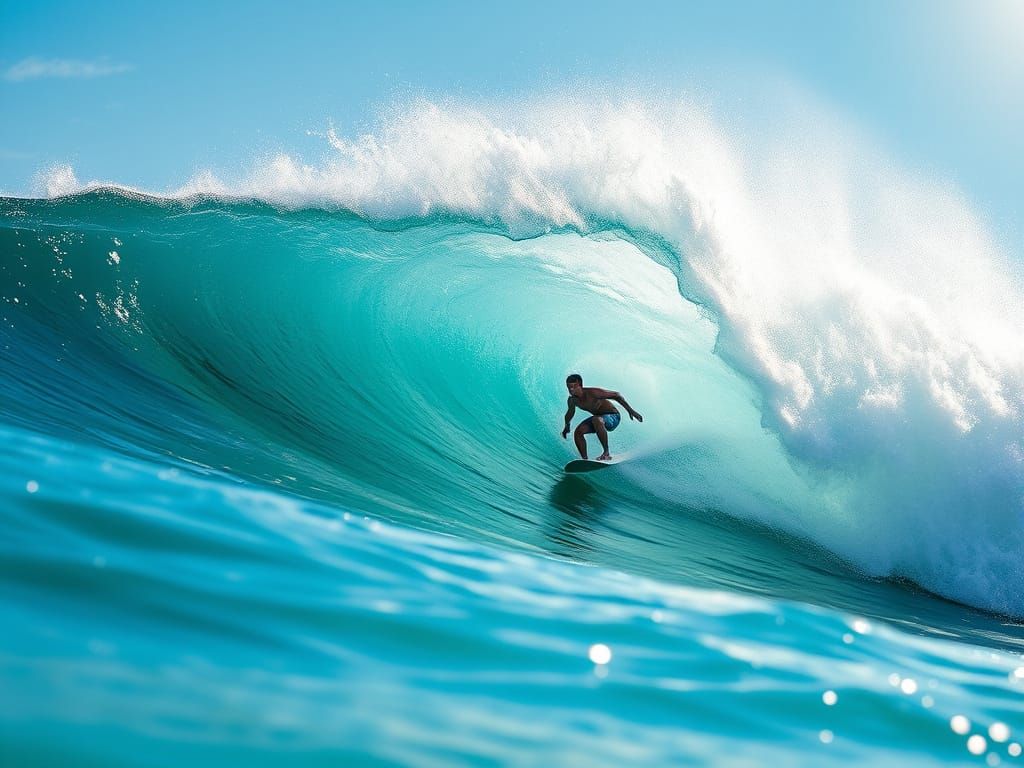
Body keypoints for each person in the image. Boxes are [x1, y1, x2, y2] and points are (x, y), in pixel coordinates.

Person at [561, 373, 643, 461]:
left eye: (574, 386)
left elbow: (616, 395)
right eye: (569, 387)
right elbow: (570, 413)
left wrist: (630, 411)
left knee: (596, 419)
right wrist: (567, 426)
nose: (571, 390)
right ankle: (585, 460)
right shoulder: (573, 400)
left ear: (580, 385)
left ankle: (606, 453)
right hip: (599, 419)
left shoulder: (592, 393)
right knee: (578, 432)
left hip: (613, 417)